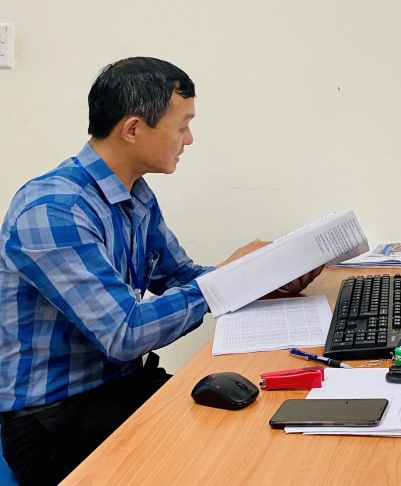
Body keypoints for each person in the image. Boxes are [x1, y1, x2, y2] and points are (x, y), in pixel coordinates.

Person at [0, 57, 324, 486]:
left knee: (256, 437)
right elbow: (124, 334)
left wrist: (261, 279)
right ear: (133, 129)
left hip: (118, 390)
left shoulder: (135, 195)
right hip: (53, 419)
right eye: (182, 125)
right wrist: (225, 280)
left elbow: (180, 276)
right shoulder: (54, 210)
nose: (189, 139)